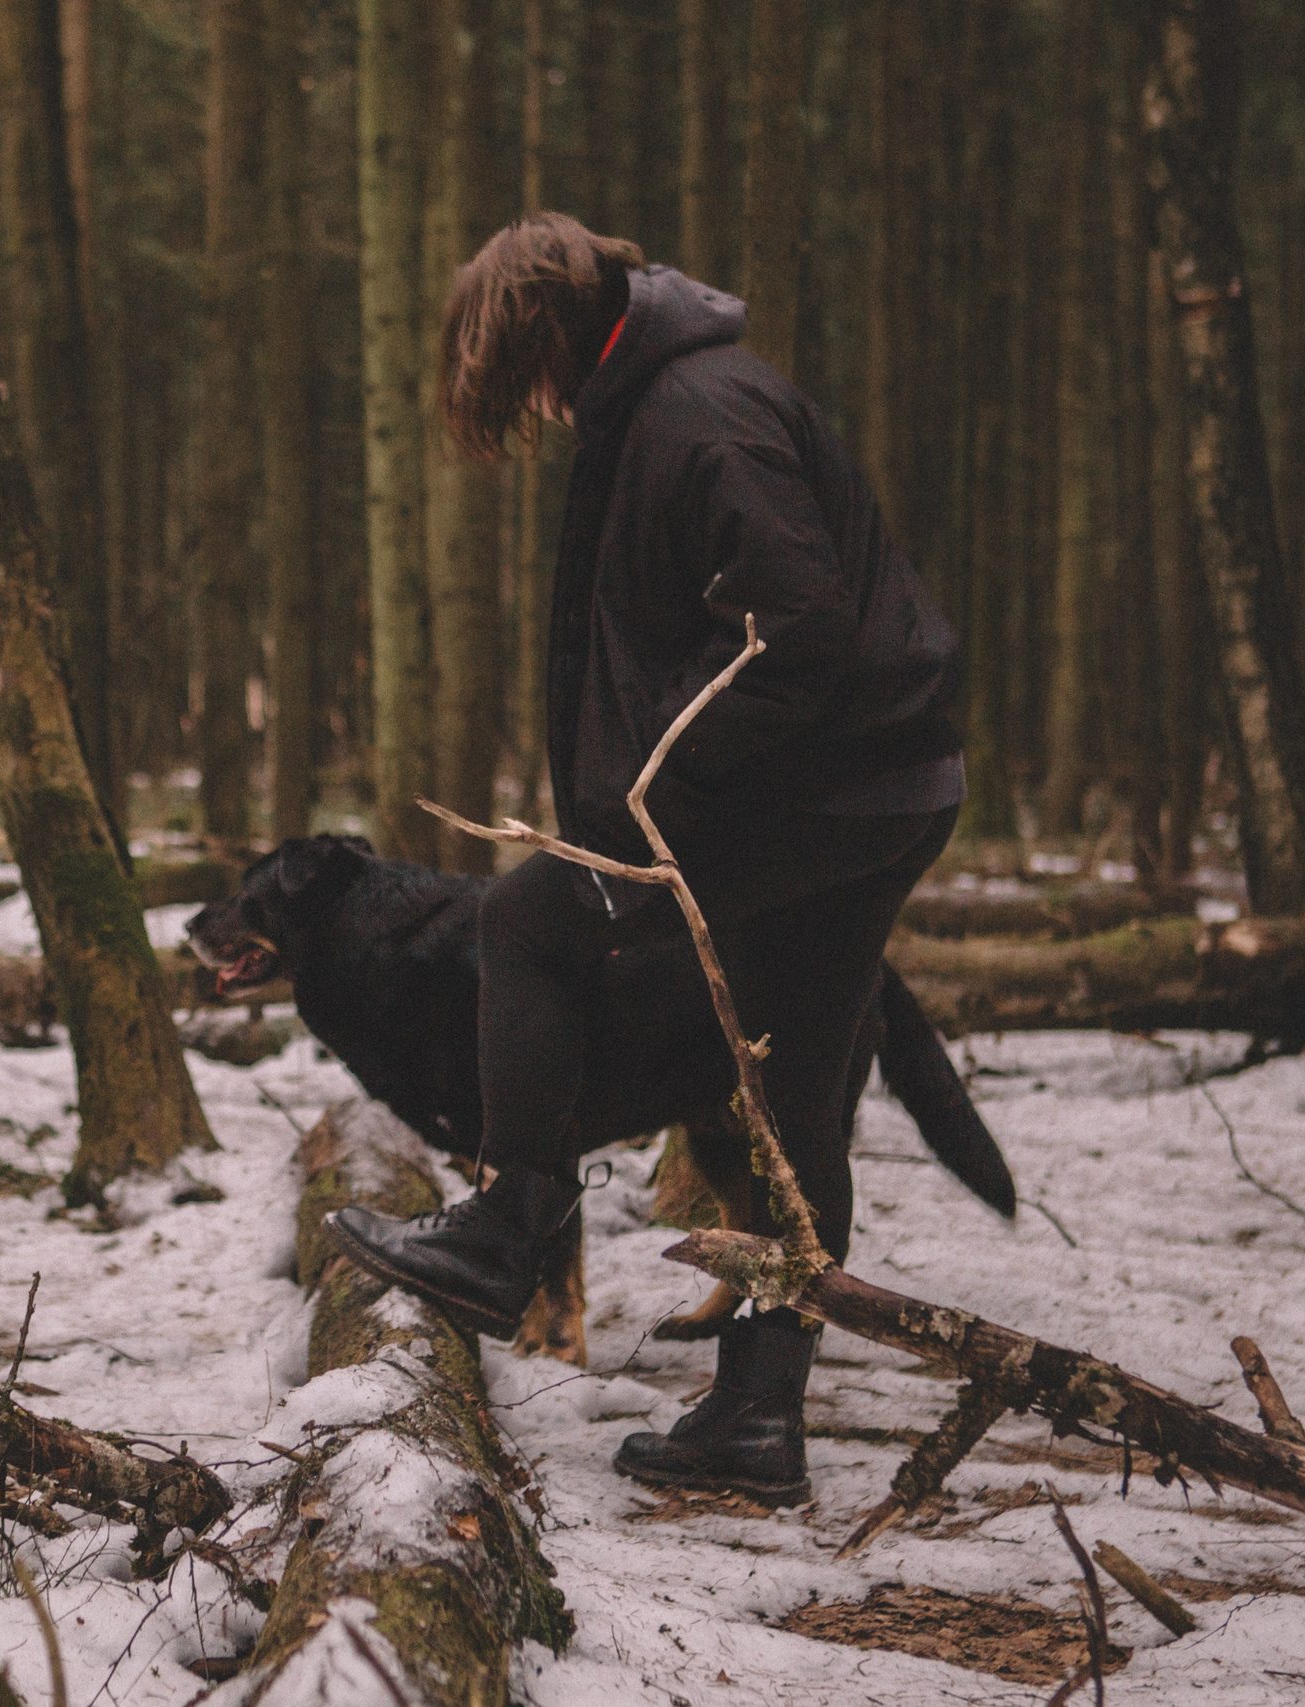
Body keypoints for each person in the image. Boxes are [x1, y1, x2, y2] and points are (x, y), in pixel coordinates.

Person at [322, 215, 964, 1506]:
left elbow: (792, 626)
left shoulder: (699, 412)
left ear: (549, 334)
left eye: (525, 384)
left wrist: (649, 799)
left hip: (811, 794)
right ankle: (757, 1417)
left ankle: (509, 1233)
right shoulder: (676, 399)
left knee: (525, 926)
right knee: (793, 1095)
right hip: (874, 790)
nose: (539, 414)